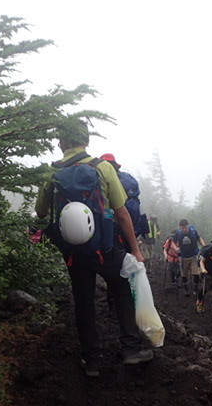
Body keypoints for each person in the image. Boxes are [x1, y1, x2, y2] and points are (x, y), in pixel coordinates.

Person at [35, 119, 153, 377]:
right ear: (86, 140)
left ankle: (92, 362)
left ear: (63, 142)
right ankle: (131, 351)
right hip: (105, 247)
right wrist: (135, 250)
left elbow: (41, 212)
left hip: (73, 252)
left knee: (84, 302)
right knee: (121, 289)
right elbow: (122, 213)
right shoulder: (102, 167)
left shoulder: (52, 171)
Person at [174, 219, 207, 297]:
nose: (184, 229)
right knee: (184, 274)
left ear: (188, 226)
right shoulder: (178, 233)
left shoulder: (193, 232)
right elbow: (173, 241)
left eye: (185, 227)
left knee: (196, 273)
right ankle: (186, 289)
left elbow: (199, 238)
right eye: (182, 228)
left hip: (193, 256)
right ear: (180, 227)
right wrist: (175, 248)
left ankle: (195, 288)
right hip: (183, 257)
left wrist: (204, 246)